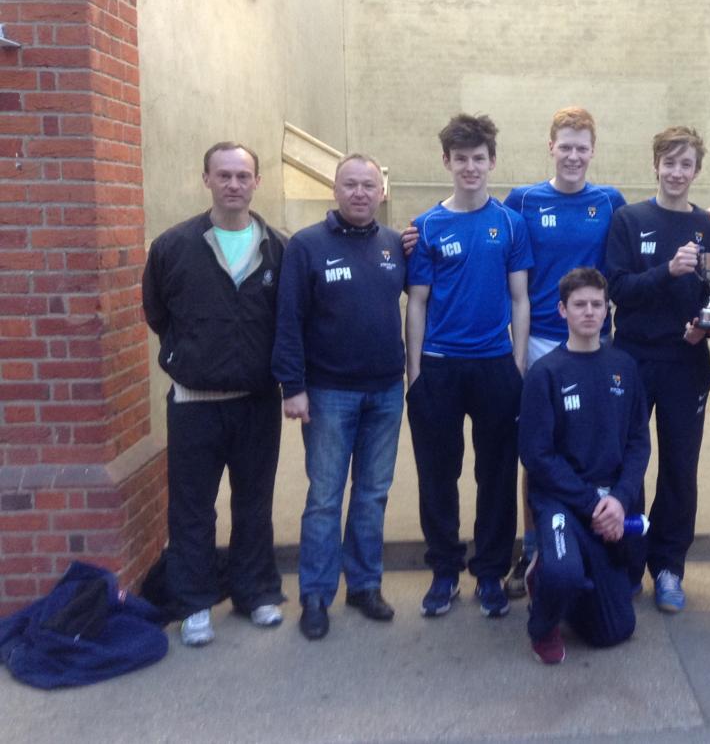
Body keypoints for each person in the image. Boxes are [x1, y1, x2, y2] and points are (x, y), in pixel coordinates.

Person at [141, 141, 285, 647]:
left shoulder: (278, 247)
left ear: (256, 182)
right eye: (223, 175)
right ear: (206, 180)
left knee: (254, 502)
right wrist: (190, 358)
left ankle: (256, 591)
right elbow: (157, 314)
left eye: (243, 175)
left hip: (257, 402)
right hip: (194, 405)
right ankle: (194, 603)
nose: (233, 184)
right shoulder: (173, 247)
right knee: (192, 508)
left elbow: (287, 322)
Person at [272, 153, 407, 641]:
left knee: (372, 494)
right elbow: (287, 321)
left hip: (387, 392)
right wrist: (294, 388)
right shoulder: (306, 246)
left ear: (381, 191)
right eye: (350, 184)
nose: (359, 193)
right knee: (325, 498)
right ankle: (315, 594)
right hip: (328, 395)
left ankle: (365, 585)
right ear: (335, 188)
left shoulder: (395, 245)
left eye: (368, 185)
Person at [406, 113, 533, 619]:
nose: (470, 167)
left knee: (497, 475)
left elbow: (520, 299)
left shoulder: (510, 224)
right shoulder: (426, 227)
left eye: (479, 159)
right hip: (438, 369)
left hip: (496, 367)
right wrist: (414, 373)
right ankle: (443, 573)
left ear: (492, 161)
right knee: (438, 474)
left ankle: (489, 573)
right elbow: (417, 302)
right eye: (461, 159)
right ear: (447, 162)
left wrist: (518, 363)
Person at [501, 107, 625, 597]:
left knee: (595, 451)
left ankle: (593, 543)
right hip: (538, 342)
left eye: (582, 147)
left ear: (593, 151)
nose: (573, 155)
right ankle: (534, 550)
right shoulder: (522, 200)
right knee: (537, 453)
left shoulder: (611, 201)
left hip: (597, 344)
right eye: (565, 146)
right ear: (550, 147)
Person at [604, 126, 710, 614]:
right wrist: (666, 272)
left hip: (685, 364)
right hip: (632, 361)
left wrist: (705, 325)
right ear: (655, 164)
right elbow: (616, 288)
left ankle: (669, 566)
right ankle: (628, 564)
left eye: (687, 164)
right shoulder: (627, 220)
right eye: (669, 162)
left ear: (697, 170)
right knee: (627, 466)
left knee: (680, 468)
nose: (677, 172)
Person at [519, 267, 651, 664]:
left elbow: (638, 442)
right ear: (562, 311)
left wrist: (620, 500)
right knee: (563, 574)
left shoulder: (624, 368)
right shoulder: (545, 374)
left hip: (612, 501)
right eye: (580, 305)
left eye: (597, 304)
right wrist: (591, 503)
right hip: (561, 500)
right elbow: (537, 456)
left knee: (615, 631)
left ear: (608, 310)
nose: (590, 312)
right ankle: (542, 620)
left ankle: (574, 586)